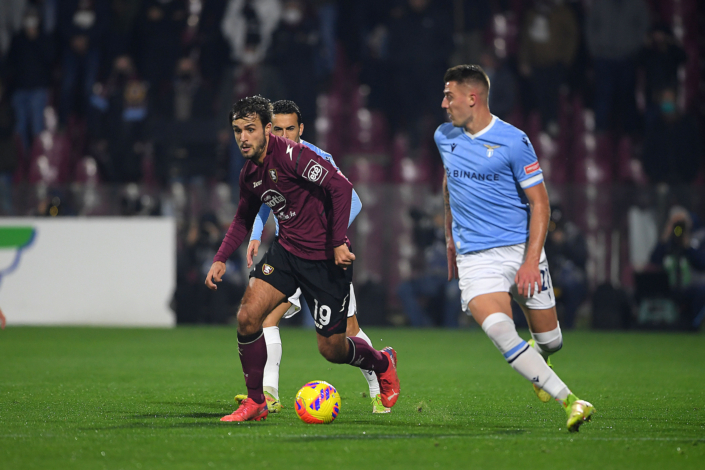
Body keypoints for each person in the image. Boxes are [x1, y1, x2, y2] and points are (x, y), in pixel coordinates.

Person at [205, 95, 399, 422]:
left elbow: (341, 187)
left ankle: (382, 363)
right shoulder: (249, 172)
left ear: (267, 129)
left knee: (333, 349)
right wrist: (221, 257)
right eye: (237, 130)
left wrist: (337, 241)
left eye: (249, 129)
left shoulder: (297, 157)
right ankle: (257, 401)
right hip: (286, 253)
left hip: (325, 261)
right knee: (249, 316)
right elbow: (242, 217)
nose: (243, 137)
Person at [435, 65, 594, 432]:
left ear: (472, 98)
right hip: (475, 259)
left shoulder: (513, 141)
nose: (444, 104)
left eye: (449, 96)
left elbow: (541, 204)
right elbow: (448, 184)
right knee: (500, 331)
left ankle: (541, 360)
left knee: (551, 341)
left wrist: (529, 262)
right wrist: (449, 240)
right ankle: (571, 400)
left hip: (521, 251)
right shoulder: (444, 136)